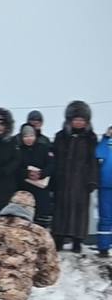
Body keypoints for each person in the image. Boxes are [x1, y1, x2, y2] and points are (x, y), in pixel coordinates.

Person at [50, 100, 98, 253]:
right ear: (69, 120)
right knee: (60, 210)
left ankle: (77, 241)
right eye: (75, 119)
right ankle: (58, 239)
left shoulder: (90, 138)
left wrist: (92, 180)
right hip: (63, 180)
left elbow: (93, 161)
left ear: (86, 121)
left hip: (81, 182)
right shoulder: (61, 137)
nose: (78, 122)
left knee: (79, 211)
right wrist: (53, 178)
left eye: (81, 120)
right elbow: (54, 159)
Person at [17, 124, 53, 231]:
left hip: (41, 189)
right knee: (25, 221)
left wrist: (42, 173)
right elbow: (15, 168)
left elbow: (51, 165)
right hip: (25, 190)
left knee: (41, 221)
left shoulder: (43, 148)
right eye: (26, 136)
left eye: (31, 136)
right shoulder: (18, 150)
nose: (29, 139)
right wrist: (27, 173)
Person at [96, 126, 112, 257]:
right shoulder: (105, 143)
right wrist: (106, 137)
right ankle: (103, 247)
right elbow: (98, 154)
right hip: (106, 186)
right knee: (105, 217)